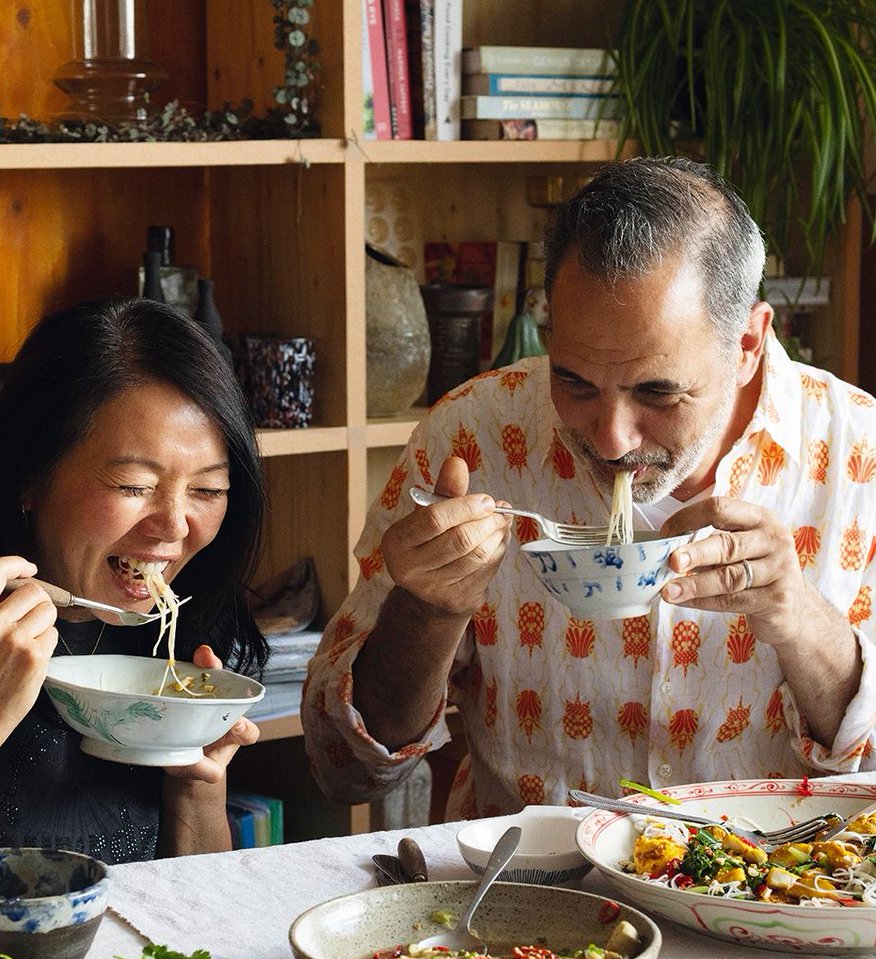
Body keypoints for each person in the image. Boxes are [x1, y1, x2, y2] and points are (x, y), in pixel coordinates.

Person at [303, 156, 876, 821]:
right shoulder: (473, 435)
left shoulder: (856, 452)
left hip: (770, 903)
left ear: (747, 342)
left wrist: (801, 621)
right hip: (526, 900)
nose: (610, 440)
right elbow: (341, 769)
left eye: (658, 392)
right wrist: (424, 611)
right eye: (574, 381)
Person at [0, 296, 268, 873]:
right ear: (30, 476)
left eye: (208, 491)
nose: (174, 526)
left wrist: (198, 780)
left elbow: (198, 911)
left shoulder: (197, 630)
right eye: (133, 485)